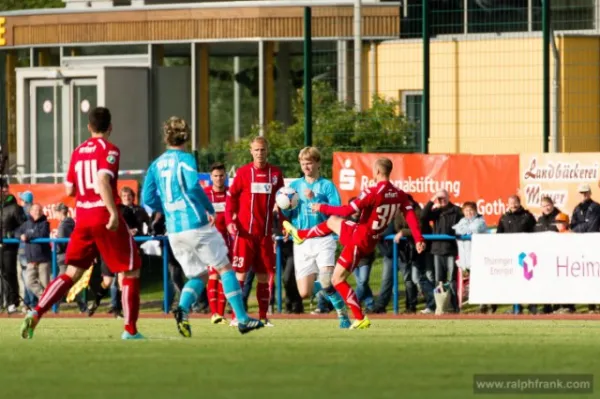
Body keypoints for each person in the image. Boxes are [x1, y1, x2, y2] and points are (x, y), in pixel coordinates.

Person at [20, 107, 144, 340]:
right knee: (131, 269)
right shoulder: (110, 150)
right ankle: (130, 330)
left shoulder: (78, 151)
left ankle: (37, 312)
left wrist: (84, 194)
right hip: (102, 215)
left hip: (83, 217)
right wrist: (113, 214)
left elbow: (69, 189)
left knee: (71, 272)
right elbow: (103, 180)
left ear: (89, 127)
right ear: (110, 127)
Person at [142, 116, 264, 337]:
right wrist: (209, 207)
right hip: (195, 224)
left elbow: (147, 198)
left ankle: (181, 309)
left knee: (198, 275)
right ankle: (243, 319)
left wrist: (168, 209)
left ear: (166, 137)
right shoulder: (185, 159)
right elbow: (192, 186)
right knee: (225, 267)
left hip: (175, 231)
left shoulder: (156, 164)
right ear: (186, 136)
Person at [284, 158, 426, 329]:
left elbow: (348, 210)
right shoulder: (399, 193)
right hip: (369, 238)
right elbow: (410, 215)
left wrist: (322, 207)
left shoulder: (373, 191)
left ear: (378, 171)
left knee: (337, 279)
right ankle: (301, 234)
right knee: (333, 222)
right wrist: (418, 239)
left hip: (359, 238)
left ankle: (359, 317)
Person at [280, 147, 350, 328]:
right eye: (303, 163)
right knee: (304, 292)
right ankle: (326, 286)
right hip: (301, 241)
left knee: (326, 279)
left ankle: (343, 314)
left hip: (323, 238)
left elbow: (337, 212)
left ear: (318, 163)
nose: (306, 167)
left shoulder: (327, 186)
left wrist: (317, 199)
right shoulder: (294, 187)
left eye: (309, 163)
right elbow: (290, 213)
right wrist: (286, 224)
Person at [225, 136, 284, 326]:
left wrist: (283, 223)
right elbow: (231, 198)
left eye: (263, 149)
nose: (260, 153)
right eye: (256, 150)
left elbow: (282, 201)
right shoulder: (243, 173)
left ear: (268, 151)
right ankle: (236, 316)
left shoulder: (275, 174)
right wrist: (229, 221)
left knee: (264, 276)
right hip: (245, 235)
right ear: (251, 151)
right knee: (240, 274)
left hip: (265, 235)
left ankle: (264, 317)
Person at [204, 162, 229, 325]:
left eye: (221, 175)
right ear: (211, 177)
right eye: (216, 176)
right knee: (213, 274)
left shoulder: (231, 194)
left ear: (225, 176)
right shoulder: (205, 194)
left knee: (225, 276)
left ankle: (220, 313)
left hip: (228, 240)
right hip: (210, 239)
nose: (219, 178)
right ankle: (214, 313)